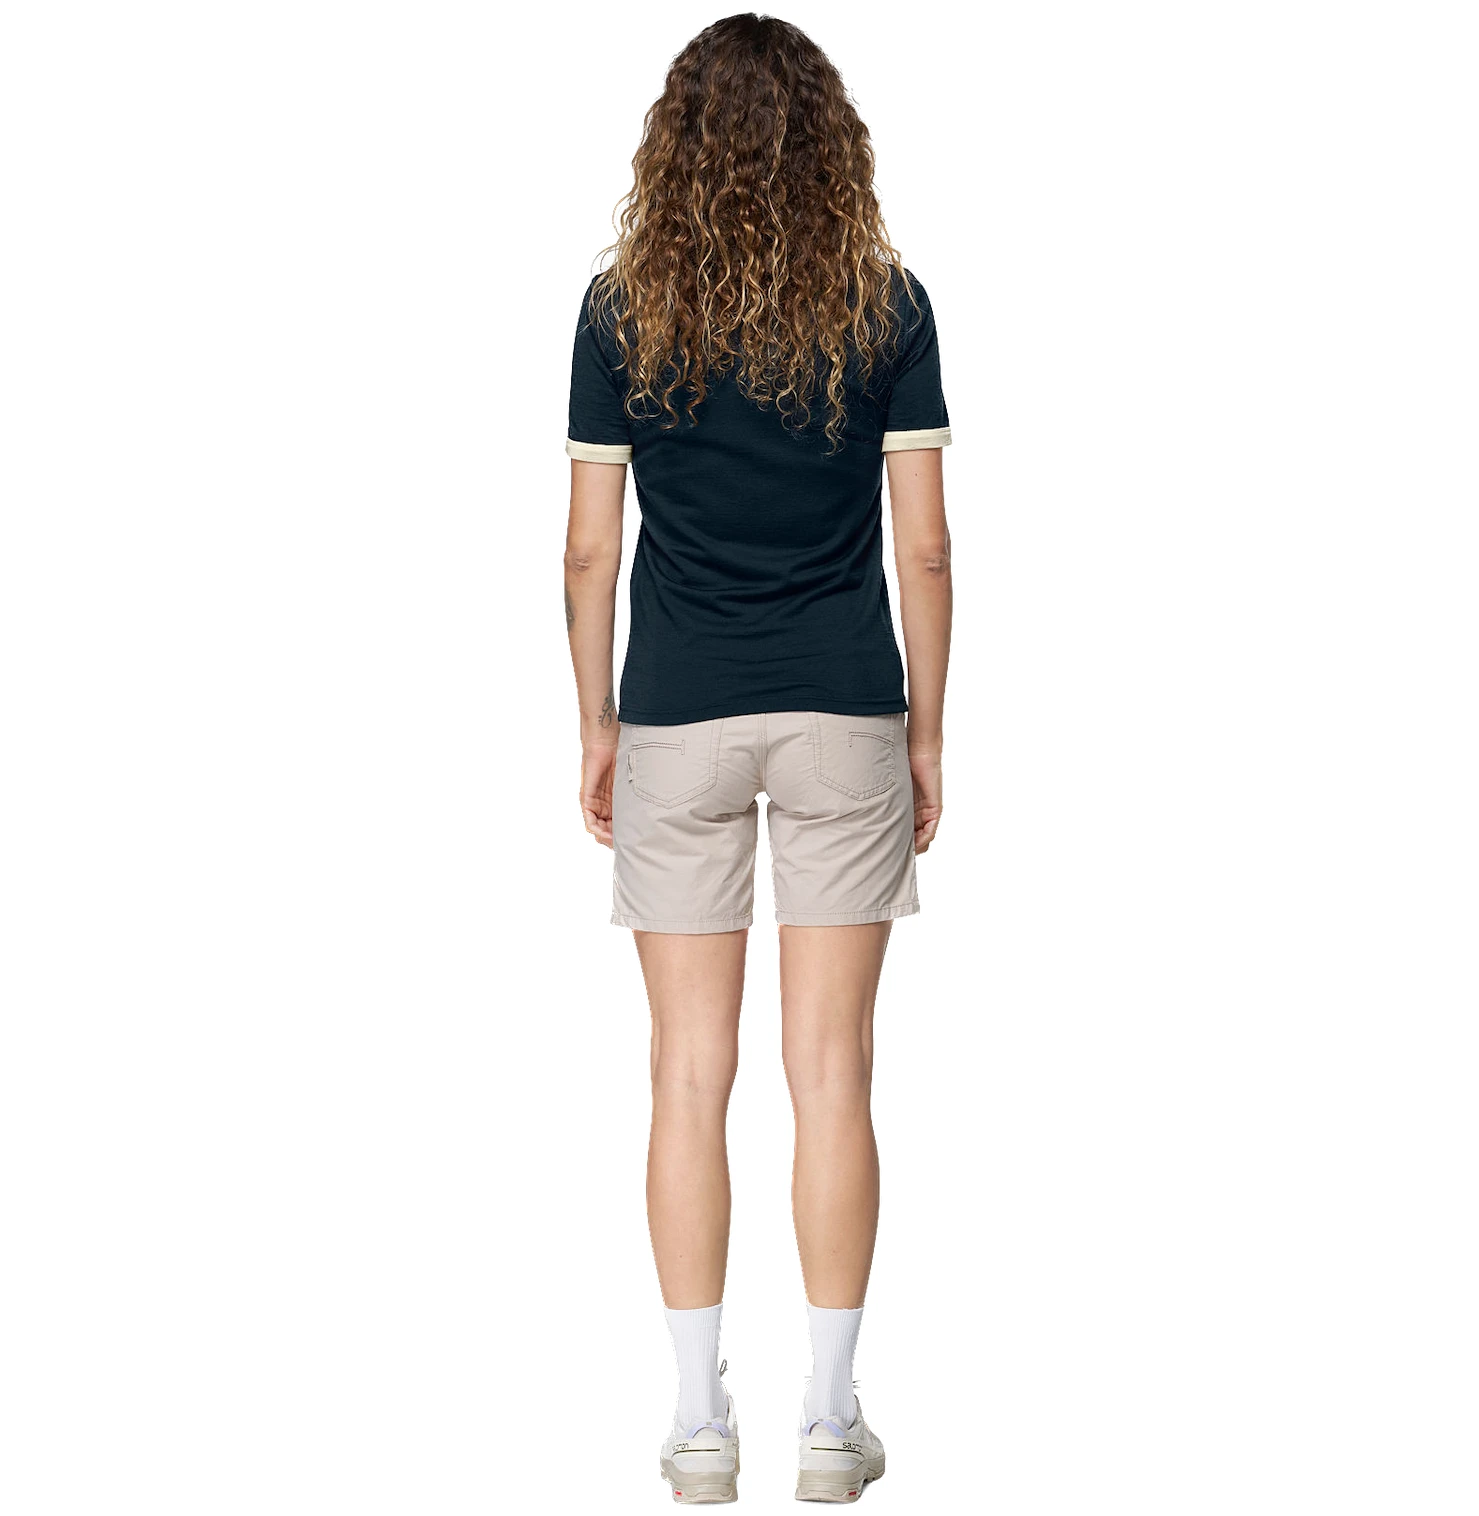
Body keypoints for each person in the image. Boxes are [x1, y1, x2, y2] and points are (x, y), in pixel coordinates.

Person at [561, 14, 952, 1504]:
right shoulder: (886, 305)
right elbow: (926, 546)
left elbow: (588, 551)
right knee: (833, 1073)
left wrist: (595, 721)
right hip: (846, 707)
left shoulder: (623, 313)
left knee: (686, 1075)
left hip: (676, 715)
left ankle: (695, 1425)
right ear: (830, 146)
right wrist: (927, 729)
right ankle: (833, 1424)